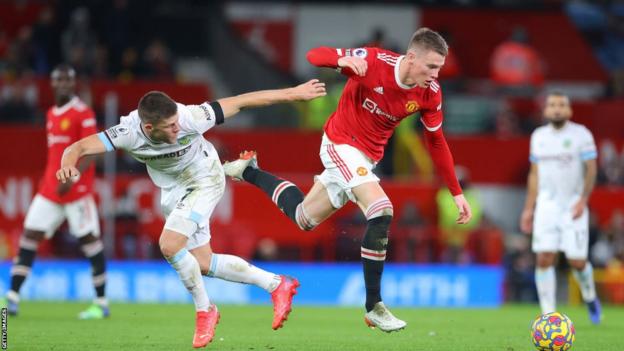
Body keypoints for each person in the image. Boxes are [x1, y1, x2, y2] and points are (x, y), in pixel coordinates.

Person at [223, 28, 473, 332]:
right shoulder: (374, 61)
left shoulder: (429, 92)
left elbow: (436, 142)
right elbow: (314, 55)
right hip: (340, 143)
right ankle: (374, 306)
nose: (435, 75)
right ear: (410, 57)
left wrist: (456, 192)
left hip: (366, 158)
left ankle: (248, 171)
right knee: (381, 209)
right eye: (431, 66)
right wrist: (343, 62)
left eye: (439, 69)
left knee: (304, 217)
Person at [55, 79, 326, 348]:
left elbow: (242, 101)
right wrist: (67, 165)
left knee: (170, 245)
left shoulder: (190, 117)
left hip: (205, 178)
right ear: (148, 128)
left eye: (177, 122)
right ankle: (277, 284)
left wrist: (293, 93)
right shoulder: (127, 132)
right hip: (174, 190)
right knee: (203, 263)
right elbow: (76, 148)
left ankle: (205, 310)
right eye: (170, 127)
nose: (177, 128)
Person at [1, 64, 108, 319]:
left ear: (73, 84)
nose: (62, 84)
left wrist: (72, 176)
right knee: (29, 236)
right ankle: (12, 298)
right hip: (50, 190)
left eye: (67, 80)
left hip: (76, 190)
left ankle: (101, 303)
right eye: (58, 80)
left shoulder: (83, 113)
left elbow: (92, 150)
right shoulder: (51, 113)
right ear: (52, 83)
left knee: (89, 241)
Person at [520, 92, 602, 324]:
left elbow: (592, 170)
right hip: (546, 206)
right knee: (544, 257)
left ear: (569, 110)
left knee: (577, 261)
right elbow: (534, 175)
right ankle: (548, 315)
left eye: (562, 105)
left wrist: (583, 200)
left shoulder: (581, 134)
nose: (557, 109)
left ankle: (590, 296)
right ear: (546, 110)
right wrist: (529, 208)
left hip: (573, 204)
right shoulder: (538, 136)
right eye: (553, 105)